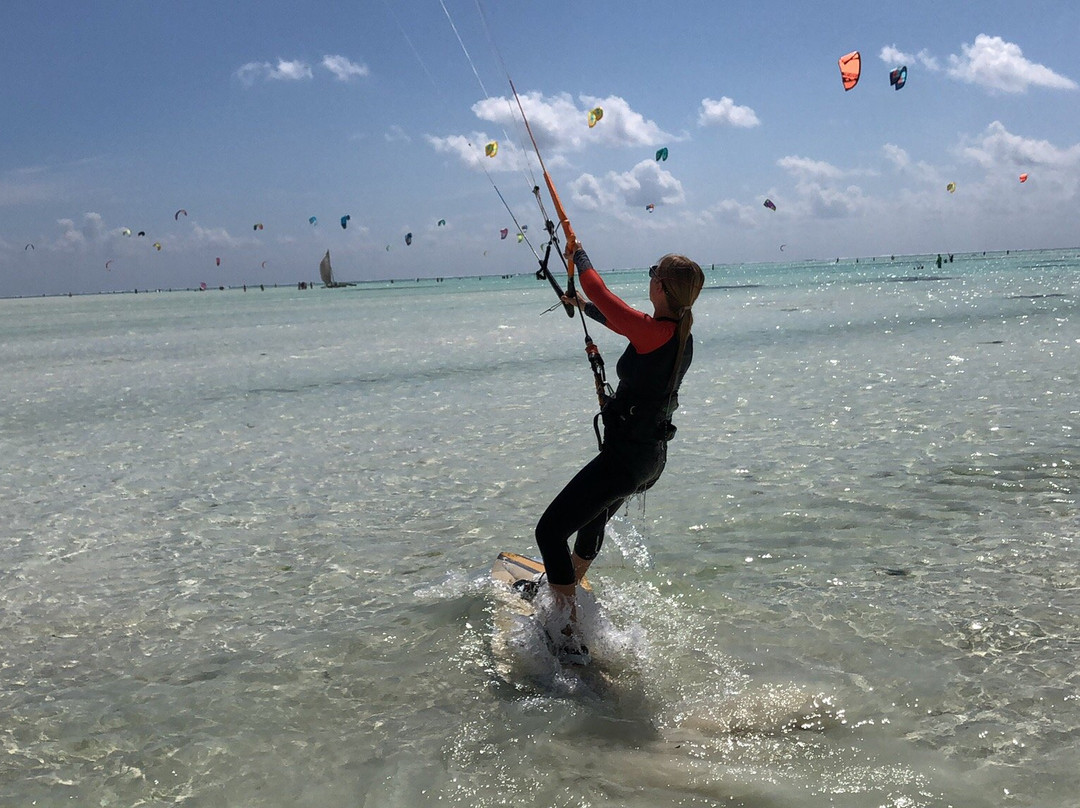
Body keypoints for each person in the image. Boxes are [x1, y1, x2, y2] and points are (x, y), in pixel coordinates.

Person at [535, 243, 704, 664]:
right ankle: (570, 583)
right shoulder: (678, 331)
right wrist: (582, 306)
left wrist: (579, 255)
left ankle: (568, 635)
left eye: (652, 272)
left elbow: (605, 295)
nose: (649, 277)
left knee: (549, 531)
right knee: (591, 519)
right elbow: (620, 321)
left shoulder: (658, 332)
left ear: (661, 286)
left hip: (626, 461)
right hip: (648, 460)